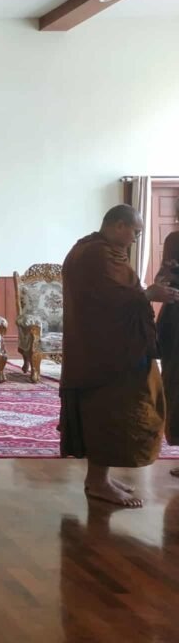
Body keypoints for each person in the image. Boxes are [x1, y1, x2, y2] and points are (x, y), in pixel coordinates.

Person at [60, 204, 175, 506]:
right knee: (109, 414)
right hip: (108, 355)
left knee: (110, 412)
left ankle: (100, 478)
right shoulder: (97, 254)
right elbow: (112, 300)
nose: (136, 238)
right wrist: (150, 294)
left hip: (104, 349)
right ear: (119, 225)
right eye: (135, 231)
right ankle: (98, 482)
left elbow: (115, 295)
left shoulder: (91, 248)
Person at [158, 201, 179, 474]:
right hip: (175, 321)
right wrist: (166, 275)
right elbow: (162, 278)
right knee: (174, 386)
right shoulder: (174, 240)